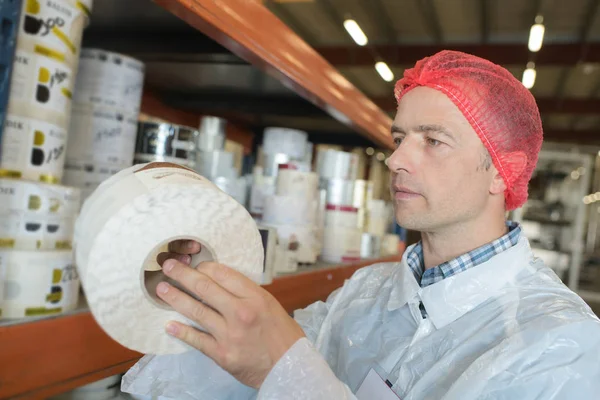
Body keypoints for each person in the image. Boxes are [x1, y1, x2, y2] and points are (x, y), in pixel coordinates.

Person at [123, 51, 600, 399]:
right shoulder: (365, 294)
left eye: (432, 140)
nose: (396, 160)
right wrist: (193, 286)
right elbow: (229, 376)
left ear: (502, 170)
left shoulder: (559, 345)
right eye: (398, 138)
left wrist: (288, 372)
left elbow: (279, 368)